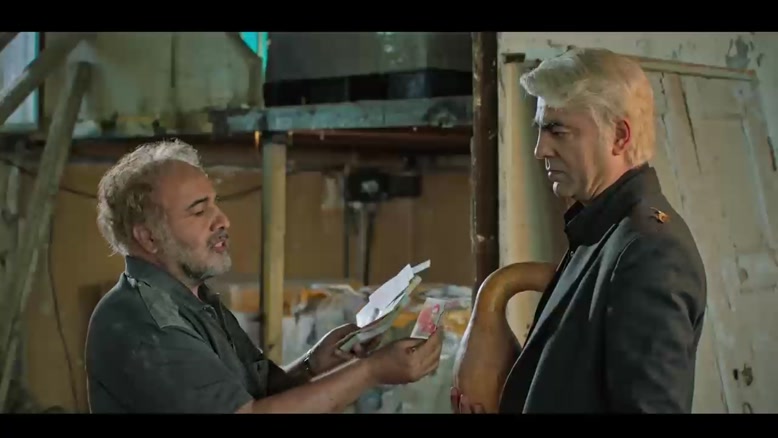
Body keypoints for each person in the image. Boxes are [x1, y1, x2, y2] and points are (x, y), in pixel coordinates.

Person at [85, 139, 443, 414]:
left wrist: (312, 365)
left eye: (214, 203)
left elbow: (250, 397)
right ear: (149, 238)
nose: (222, 220)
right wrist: (370, 372)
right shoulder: (145, 321)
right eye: (199, 210)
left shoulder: (193, 300)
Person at [452, 48, 707, 413]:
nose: (540, 150)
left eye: (558, 131)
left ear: (619, 136)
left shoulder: (650, 252)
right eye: (540, 130)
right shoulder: (601, 231)